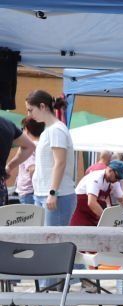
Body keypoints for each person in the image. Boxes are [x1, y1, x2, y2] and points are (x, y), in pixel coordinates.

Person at [26, 90, 77, 225]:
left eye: (30, 110)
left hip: (57, 195)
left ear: (42, 106)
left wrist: (53, 193)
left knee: (52, 237)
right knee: (44, 236)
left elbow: (60, 162)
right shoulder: (48, 130)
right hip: (44, 194)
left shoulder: (56, 130)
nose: (29, 115)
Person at [70, 160, 123, 226]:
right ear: (110, 170)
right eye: (117, 177)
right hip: (80, 214)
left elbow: (122, 200)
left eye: (120, 178)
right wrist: (107, 219)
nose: (118, 180)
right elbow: (91, 202)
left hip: (94, 215)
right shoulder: (96, 178)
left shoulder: (114, 181)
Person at [1, 114, 36, 206]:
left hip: (27, 191)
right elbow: (29, 146)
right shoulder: (6, 124)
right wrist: (9, 167)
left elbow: (32, 168)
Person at [14, 118, 40, 204]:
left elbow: (32, 169)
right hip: (36, 191)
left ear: (27, 129)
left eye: (23, 129)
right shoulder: (42, 144)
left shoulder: (28, 147)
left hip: (29, 192)